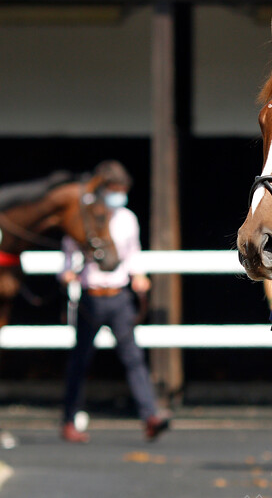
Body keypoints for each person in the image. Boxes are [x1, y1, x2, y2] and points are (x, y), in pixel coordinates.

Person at [58, 160, 169, 443]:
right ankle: (69, 419)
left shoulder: (127, 218)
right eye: (115, 189)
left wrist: (138, 276)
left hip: (118, 295)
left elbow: (133, 252)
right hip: (91, 295)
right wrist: (67, 272)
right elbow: (68, 251)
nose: (119, 194)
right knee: (80, 360)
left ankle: (149, 415)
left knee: (133, 357)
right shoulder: (84, 217)